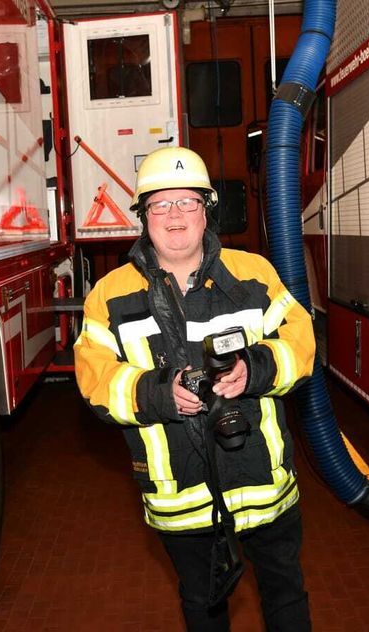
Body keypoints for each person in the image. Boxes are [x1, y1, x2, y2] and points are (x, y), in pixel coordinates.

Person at [74, 146, 315, 631]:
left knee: (286, 597)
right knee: (203, 607)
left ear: (207, 211)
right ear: (143, 216)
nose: (175, 215)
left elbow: (302, 341)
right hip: (181, 499)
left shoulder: (254, 275)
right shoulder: (110, 296)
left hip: (263, 483)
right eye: (160, 204)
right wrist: (160, 394)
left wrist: (254, 368)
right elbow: (95, 380)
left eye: (187, 202)